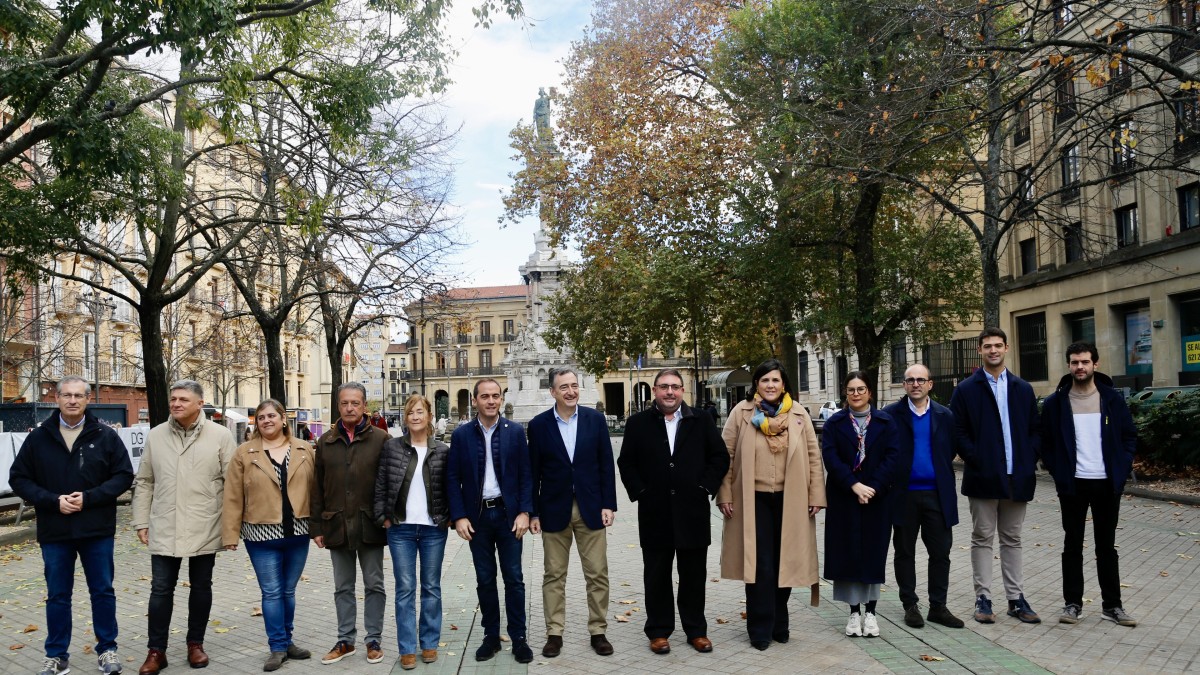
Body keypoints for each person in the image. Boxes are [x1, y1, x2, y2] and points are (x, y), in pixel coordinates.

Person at [9, 376, 134, 675]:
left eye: (79, 395)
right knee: (57, 594)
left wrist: (89, 498)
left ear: (89, 399)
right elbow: (19, 478)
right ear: (57, 398)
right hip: (56, 530)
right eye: (67, 395)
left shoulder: (105, 435)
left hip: (96, 529)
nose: (73, 400)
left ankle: (107, 650)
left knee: (102, 591)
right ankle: (56, 655)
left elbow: (123, 475)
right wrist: (52, 501)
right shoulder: (38, 438)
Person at [618, 369, 729, 655]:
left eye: (675, 387)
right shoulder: (638, 423)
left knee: (693, 575)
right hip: (654, 512)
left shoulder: (701, 420)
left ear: (683, 391)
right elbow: (626, 462)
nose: (670, 392)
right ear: (654, 390)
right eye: (664, 387)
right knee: (656, 574)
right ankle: (658, 630)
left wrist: (705, 487)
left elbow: (719, 456)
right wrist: (641, 492)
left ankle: (696, 630)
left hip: (692, 511)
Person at [717, 359, 826, 651]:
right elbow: (724, 456)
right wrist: (724, 493)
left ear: (783, 385)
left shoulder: (799, 414)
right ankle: (760, 627)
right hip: (752, 500)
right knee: (760, 565)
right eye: (764, 381)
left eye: (775, 381)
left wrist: (817, 495)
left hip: (792, 500)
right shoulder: (741, 413)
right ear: (757, 385)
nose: (770, 386)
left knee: (785, 562)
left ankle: (780, 622)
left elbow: (814, 458)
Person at [132, 380, 237, 674]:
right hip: (165, 523)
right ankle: (156, 651)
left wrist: (231, 527)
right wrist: (141, 520)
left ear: (200, 403)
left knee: (202, 586)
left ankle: (195, 644)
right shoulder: (156, 436)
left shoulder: (221, 435)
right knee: (161, 589)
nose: (176, 404)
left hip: (206, 522)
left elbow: (233, 484)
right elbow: (145, 482)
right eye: (173, 399)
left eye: (183, 399)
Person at [1041, 342, 1138, 627]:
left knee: (1106, 547)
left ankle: (1113, 606)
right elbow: (1046, 442)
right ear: (1069, 365)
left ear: (1095, 363)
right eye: (1074, 362)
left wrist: (1121, 468)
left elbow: (1129, 436)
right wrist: (1059, 471)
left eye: (1084, 362)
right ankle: (1072, 604)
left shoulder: (1111, 399)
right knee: (1072, 545)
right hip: (1073, 484)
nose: (1079, 367)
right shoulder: (1056, 403)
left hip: (1107, 484)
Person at [950, 327, 1042, 624]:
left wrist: (1029, 457)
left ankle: (1016, 599)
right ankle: (983, 598)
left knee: (1012, 538)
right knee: (982, 537)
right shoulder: (965, 389)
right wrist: (975, 458)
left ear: (1006, 348)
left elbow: (1034, 430)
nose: (993, 350)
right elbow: (958, 432)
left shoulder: (1022, 388)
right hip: (983, 476)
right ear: (980, 350)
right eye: (987, 346)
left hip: (1018, 475)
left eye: (998, 345)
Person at [527, 367, 618, 658]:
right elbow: (533, 473)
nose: (570, 391)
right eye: (563, 387)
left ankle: (598, 631)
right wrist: (533, 512)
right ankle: (554, 633)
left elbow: (606, 464)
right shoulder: (539, 425)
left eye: (574, 386)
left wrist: (609, 504)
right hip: (553, 510)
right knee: (554, 575)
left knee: (597, 574)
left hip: (591, 508)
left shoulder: (594, 420)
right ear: (552, 391)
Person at [221, 399, 316, 671]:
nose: (266, 420)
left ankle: (288, 641)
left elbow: (316, 490)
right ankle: (276, 647)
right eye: (261, 417)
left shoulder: (304, 449)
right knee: (272, 592)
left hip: (298, 532)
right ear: (256, 422)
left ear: (283, 419)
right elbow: (232, 495)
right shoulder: (244, 453)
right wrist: (230, 533)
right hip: (260, 535)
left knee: (288, 590)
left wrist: (320, 528)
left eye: (271, 415)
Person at [447, 378, 535, 664]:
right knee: (485, 579)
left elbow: (525, 474)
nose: (491, 401)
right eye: (484, 396)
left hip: (510, 516)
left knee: (514, 578)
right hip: (478, 517)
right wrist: (458, 516)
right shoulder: (461, 436)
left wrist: (525, 511)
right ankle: (490, 636)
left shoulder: (514, 432)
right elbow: (452, 479)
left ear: (501, 398)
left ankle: (519, 637)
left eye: (496, 396)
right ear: (475, 400)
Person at [310, 382, 389, 665]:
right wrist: (316, 527)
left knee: (374, 584)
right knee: (343, 586)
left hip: (371, 525)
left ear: (364, 406)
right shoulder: (325, 442)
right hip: (336, 525)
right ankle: (345, 640)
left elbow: (389, 483)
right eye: (344, 403)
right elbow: (317, 487)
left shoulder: (381, 439)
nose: (350, 408)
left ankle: (373, 639)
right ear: (338, 406)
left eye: (355, 403)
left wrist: (387, 516)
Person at [882, 365, 965, 630]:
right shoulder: (890, 416)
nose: (915, 384)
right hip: (903, 494)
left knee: (941, 552)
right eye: (910, 380)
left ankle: (938, 606)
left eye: (921, 380)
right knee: (904, 552)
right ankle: (910, 605)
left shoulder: (945, 415)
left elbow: (950, 450)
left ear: (930, 384)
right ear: (904, 385)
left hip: (937, 495)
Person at [373, 395, 452, 670]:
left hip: (433, 529)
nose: (415, 416)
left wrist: (449, 517)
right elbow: (381, 483)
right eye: (410, 413)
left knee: (431, 587)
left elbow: (450, 486)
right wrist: (383, 516)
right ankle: (407, 648)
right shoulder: (392, 447)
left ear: (429, 416)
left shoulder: (442, 450)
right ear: (405, 418)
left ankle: (429, 643)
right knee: (405, 588)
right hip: (400, 529)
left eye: (420, 412)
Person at [822, 371, 903, 638]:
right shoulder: (835, 423)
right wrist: (853, 485)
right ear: (845, 393)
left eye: (861, 389)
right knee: (848, 554)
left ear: (870, 392)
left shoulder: (885, 421)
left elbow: (893, 457)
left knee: (873, 553)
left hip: (877, 499)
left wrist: (873, 487)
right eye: (851, 389)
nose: (856, 394)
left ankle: (871, 612)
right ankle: (853, 611)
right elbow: (831, 458)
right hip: (844, 497)